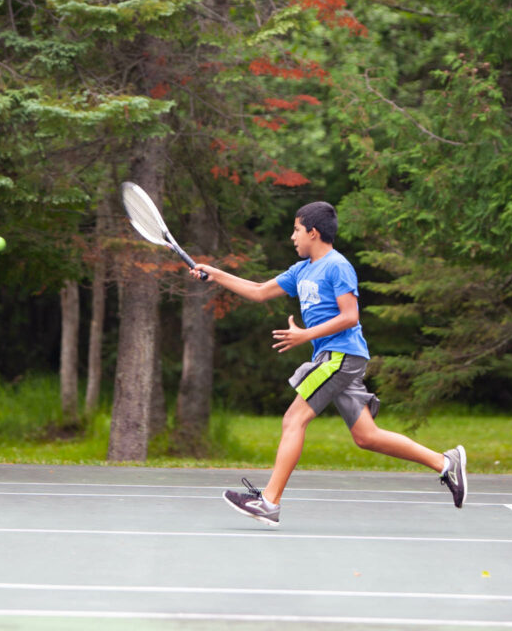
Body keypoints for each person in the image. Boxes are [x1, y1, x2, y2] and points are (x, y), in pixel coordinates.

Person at [189, 200, 467, 527]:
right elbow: (260, 291)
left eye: (296, 230)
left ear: (313, 232)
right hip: (335, 356)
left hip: (341, 355)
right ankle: (446, 462)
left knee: (294, 419)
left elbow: (350, 316)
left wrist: (306, 335)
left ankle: (269, 502)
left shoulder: (337, 266)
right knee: (366, 436)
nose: (292, 237)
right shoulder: (302, 270)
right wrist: (215, 273)